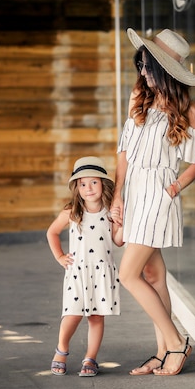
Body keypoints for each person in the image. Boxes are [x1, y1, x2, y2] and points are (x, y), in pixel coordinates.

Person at [111, 28, 195, 376]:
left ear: (167, 70)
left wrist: (172, 189)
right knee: (153, 274)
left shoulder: (190, 111)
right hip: (134, 191)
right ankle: (162, 353)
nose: (142, 73)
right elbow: (124, 152)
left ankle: (176, 341)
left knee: (128, 273)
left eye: (148, 66)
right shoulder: (138, 101)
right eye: (140, 64)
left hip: (158, 192)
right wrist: (118, 195)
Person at [47, 156, 124, 376]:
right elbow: (51, 232)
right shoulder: (73, 211)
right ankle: (61, 349)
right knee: (72, 313)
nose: (88, 188)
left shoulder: (110, 211)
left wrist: (121, 223)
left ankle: (90, 359)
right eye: (82, 183)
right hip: (77, 272)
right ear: (76, 187)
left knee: (96, 317)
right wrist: (60, 256)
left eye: (93, 182)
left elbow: (118, 241)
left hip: (101, 273)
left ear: (103, 184)